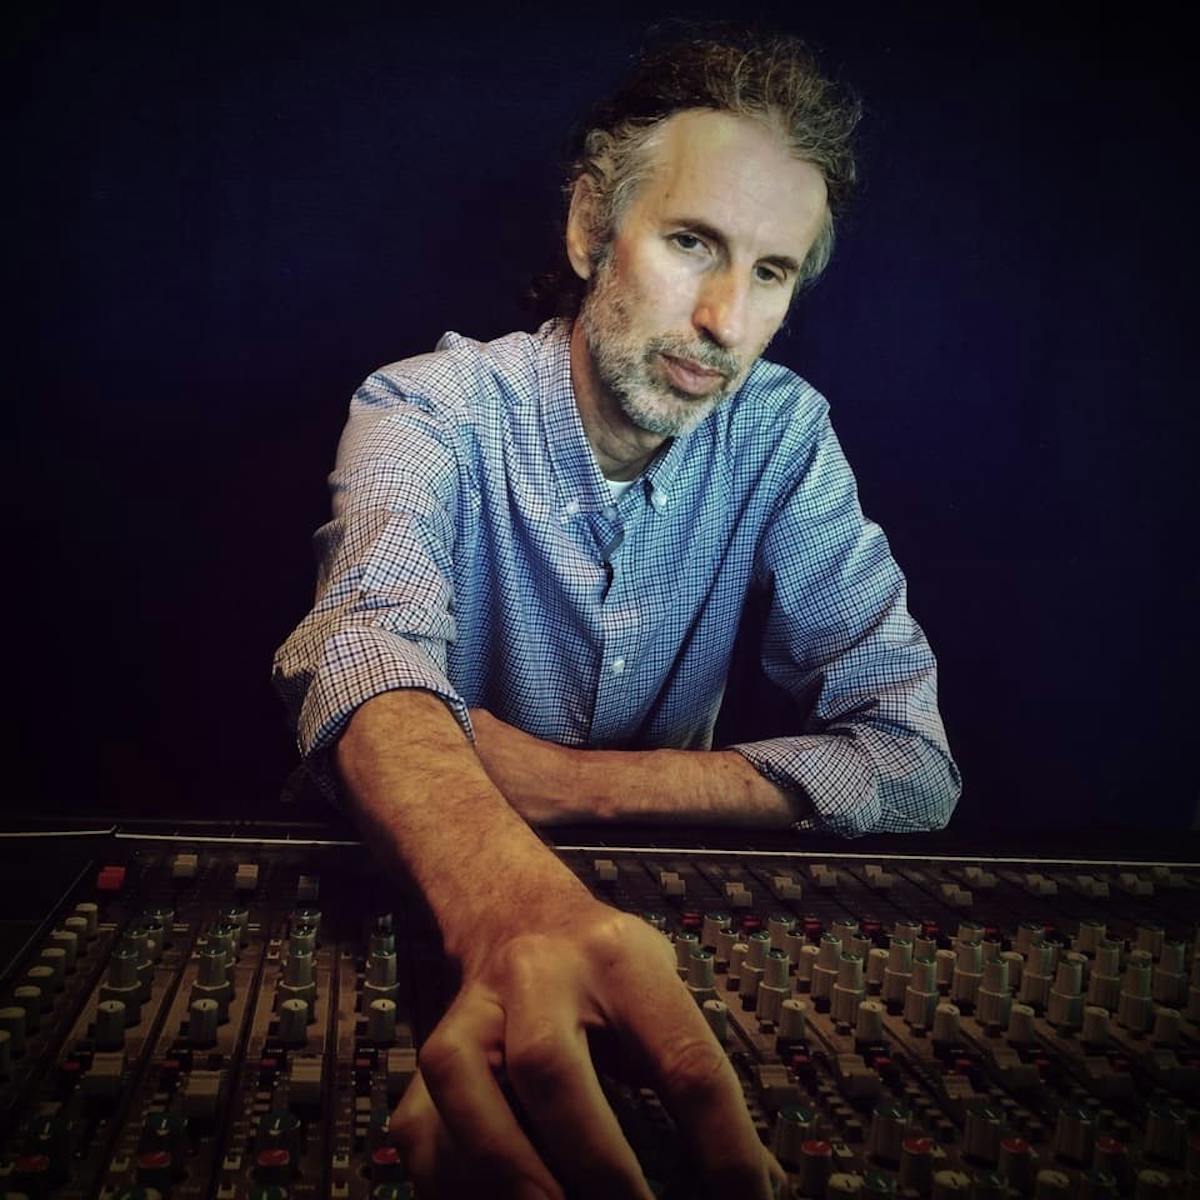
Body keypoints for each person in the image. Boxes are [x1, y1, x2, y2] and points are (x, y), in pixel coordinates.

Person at [273, 27, 960, 1198]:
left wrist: (572, 783)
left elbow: (911, 761)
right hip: (421, 907)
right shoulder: (428, 408)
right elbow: (361, 650)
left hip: (659, 931)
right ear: (593, 225)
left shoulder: (785, 435)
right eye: (692, 243)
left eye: (772, 272)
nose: (726, 321)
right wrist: (510, 896)